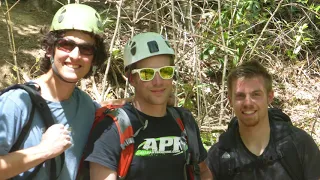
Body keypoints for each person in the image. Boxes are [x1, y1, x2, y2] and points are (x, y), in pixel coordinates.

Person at [0, 4, 124, 180]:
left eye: (86, 49)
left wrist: (148, 99)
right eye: (66, 45)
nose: (75, 55)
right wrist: (43, 150)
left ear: (94, 59)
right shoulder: (16, 102)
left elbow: (103, 108)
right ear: (50, 49)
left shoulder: (85, 105)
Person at [84, 32, 213, 180]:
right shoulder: (111, 129)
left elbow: (203, 172)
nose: (158, 81)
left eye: (165, 72)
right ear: (132, 78)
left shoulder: (184, 121)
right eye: (147, 74)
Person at [205, 60, 320, 180]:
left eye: (256, 94)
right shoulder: (218, 157)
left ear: (269, 97)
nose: (248, 102)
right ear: (230, 100)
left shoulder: (299, 144)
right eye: (240, 96)